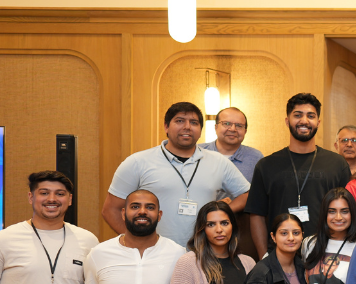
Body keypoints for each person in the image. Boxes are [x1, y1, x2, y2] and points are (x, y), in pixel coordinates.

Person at [102, 101, 250, 246]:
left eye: (194, 122)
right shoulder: (138, 162)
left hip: (204, 255)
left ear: (200, 130)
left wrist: (220, 212)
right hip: (155, 256)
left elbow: (247, 194)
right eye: (179, 121)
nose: (187, 127)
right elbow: (110, 210)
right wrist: (137, 243)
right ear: (166, 126)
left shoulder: (218, 161)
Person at [246, 93, 352, 257]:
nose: (304, 121)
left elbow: (348, 211)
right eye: (297, 115)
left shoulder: (337, 164)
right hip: (279, 256)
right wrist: (264, 257)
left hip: (326, 255)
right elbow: (257, 215)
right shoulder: (266, 165)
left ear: (318, 122)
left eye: (311, 116)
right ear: (287, 121)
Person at [199, 106, 263, 184]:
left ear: (245, 131)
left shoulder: (256, 158)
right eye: (227, 124)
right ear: (216, 127)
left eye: (239, 126)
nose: (233, 129)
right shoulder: (198, 152)